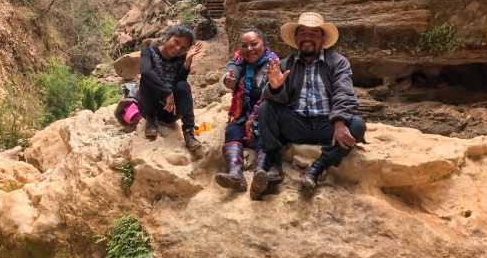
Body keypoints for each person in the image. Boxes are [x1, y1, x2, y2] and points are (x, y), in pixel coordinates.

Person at [256, 11, 367, 194]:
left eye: (314, 33)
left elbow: (344, 93)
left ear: (323, 39)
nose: (307, 38)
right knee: (266, 108)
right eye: (303, 33)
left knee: (357, 125)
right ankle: (275, 164)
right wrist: (275, 89)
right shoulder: (286, 64)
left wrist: (339, 122)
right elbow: (277, 99)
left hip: (328, 125)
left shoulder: (338, 62)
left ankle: (317, 168)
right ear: (296, 38)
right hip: (297, 124)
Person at [215, 28, 279, 197]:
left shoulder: (274, 64)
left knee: (263, 137)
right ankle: (236, 174)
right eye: (244, 45)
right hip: (243, 114)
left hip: (265, 116)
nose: (249, 49)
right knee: (232, 131)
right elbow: (230, 74)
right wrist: (228, 80)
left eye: (254, 44)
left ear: (264, 44)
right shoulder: (238, 62)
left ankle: (261, 174)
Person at [138, 25, 204, 151]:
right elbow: (145, 71)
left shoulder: (181, 58)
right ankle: (151, 121)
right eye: (176, 42)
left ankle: (189, 132)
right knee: (146, 78)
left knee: (183, 86)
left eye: (183, 47)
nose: (178, 48)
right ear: (168, 37)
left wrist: (187, 62)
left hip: (169, 111)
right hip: (149, 107)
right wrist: (167, 92)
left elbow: (180, 82)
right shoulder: (148, 52)